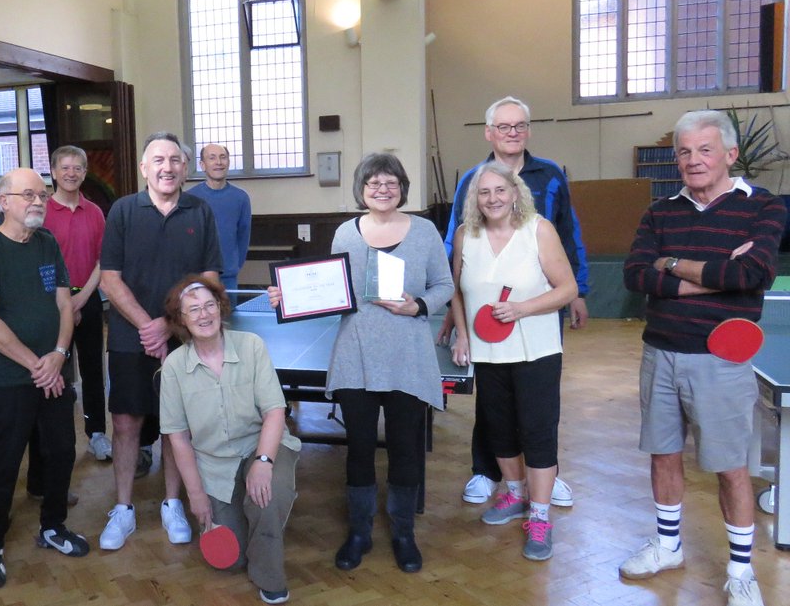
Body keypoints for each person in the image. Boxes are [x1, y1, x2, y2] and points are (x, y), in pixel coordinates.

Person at [620, 110, 784, 606]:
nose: (693, 160)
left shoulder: (764, 207)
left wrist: (670, 264)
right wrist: (713, 275)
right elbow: (635, 275)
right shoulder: (660, 212)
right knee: (663, 453)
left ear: (730, 155)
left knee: (730, 467)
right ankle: (668, 546)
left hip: (721, 359)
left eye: (705, 150)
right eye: (685, 152)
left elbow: (750, 275)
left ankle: (741, 570)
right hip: (660, 352)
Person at [270, 152, 454, 574]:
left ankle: (403, 533)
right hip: (356, 354)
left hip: (407, 355)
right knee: (360, 446)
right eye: (374, 183)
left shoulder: (425, 231)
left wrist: (418, 305)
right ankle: (359, 532)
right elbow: (330, 291)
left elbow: (444, 284)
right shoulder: (345, 234)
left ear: (402, 188)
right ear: (362, 190)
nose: (382, 189)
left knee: (405, 447)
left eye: (390, 182)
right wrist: (288, 296)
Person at [440, 96, 587, 507]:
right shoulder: (472, 179)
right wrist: (454, 313)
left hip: (538, 309)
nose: (512, 133)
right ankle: (488, 471)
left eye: (519, 125)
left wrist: (580, 291)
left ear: (528, 130)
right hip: (482, 312)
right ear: (489, 133)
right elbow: (455, 244)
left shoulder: (551, 175)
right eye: (503, 126)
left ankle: (544, 478)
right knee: (494, 404)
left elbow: (569, 233)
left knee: (539, 403)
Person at [98, 131, 223, 551]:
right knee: (125, 423)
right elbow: (109, 278)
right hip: (129, 338)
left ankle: (172, 503)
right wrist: (147, 327)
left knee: (176, 425)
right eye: (158, 160)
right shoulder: (122, 211)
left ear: (185, 168)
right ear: (144, 168)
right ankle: (123, 508)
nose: (166, 168)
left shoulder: (200, 211)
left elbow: (210, 277)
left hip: (184, 338)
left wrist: (170, 325)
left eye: (174, 160)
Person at [0, 168, 89, 590]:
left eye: (42, 194)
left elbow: (65, 305)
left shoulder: (47, 242)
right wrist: (39, 365)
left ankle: (53, 526)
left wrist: (58, 355)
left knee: (61, 452)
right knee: (1, 465)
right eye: (28, 195)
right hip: (7, 379)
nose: (38, 201)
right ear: (4, 201)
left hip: (54, 371)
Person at [448, 161, 577, 562]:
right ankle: (516, 494)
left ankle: (539, 516)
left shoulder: (539, 229)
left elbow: (567, 288)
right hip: (487, 353)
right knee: (498, 429)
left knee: (537, 432)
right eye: (484, 192)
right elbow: (456, 291)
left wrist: (522, 308)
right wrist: (462, 334)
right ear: (475, 199)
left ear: (515, 192)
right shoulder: (465, 235)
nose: (493, 199)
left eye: (500, 190)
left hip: (536, 350)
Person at [161, 276, 300, 604]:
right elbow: (178, 438)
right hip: (214, 463)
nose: (204, 314)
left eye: (209, 305)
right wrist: (196, 495)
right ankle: (251, 524)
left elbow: (275, 411)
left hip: (261, 445)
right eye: (194, 309)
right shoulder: (173, 367)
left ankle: (269, 576)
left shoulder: (252, 345)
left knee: (266, 494)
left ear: (220, 308)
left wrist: (263, 463)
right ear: (181, 319)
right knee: (230, 559)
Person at [44, 144, 110, 461]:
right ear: (54, 172)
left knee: (93, 370)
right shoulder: (41, 211)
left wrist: (81, 298)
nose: (71, 173)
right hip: (51, 304)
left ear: (84, 173)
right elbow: (38, 262)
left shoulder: (95, 212)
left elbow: (102, 261)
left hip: (88, 299)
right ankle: (57, 438)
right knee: (57, 370)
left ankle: (97, 434)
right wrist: (64, 304)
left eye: (77, 168)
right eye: (65, 167)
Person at [188, 143, 252, 290]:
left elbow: (243, 237)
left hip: (228, 277)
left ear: (228, 162)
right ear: (202, 165)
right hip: (196, 278)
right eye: (212, 158)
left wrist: (234, 266)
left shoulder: (241, 198)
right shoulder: (190, 198)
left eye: (223, 157)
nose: (218, 162)